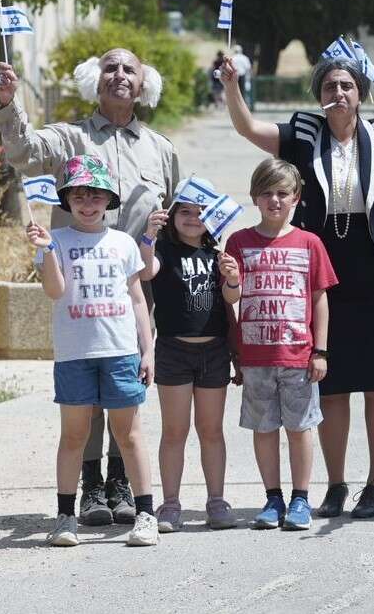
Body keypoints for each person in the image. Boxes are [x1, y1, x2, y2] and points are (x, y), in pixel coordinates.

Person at [219, 54, 374, 519]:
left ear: (361, 92)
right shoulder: (304, 134)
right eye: (330, 87)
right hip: (322, 272)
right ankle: (333, 485)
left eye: (347, 86)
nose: (338, 94)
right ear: (320, 95)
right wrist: (232, 86)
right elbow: (249, 129)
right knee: (330, 385)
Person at [0, 49, 180, 525]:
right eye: (110, 69)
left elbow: (175, 217)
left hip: (134, 285)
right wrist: (9, 103)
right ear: (95, 81)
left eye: (129, 70)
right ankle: (90, 485)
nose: (119, 76)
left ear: (144, 85)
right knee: (84, 395)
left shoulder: (161, 148)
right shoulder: (71, 137)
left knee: (125, 387)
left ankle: (120, 481)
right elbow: (23, 152)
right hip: (78, 292)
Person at [26, 155, 158, 547]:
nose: (87, 203)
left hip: (120, 352)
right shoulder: (57, 241)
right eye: (79, 195)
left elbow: (137, 299)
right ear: (66, 200)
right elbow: (54, 291)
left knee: (129, 435)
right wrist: (46, 251)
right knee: (74, 436)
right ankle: (65, 518)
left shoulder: (123, 243)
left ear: (109, 200)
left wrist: (147, 350)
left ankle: (146, 515)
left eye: (96, 195)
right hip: (74, 354)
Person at [220, 158, 337, 530]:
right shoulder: (239, 242)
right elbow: (230, 299)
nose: (275, 200)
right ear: (255, 197)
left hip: (298, 356)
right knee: (264, 428)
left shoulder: (309, 243)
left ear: (296, 198)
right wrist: (234, 280)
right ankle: (273, 498)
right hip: (255, 357)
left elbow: (319, 298)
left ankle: (301, 498)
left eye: (282, 193)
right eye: (267, 193)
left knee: (300, 429)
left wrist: (320, 350)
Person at [138, 177, 236, 533]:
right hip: (173, 351)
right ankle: (170, 503)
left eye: (201, 212)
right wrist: (149, 235)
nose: (193, 218)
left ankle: (216, 500)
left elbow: (231, 300)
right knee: (174, 431)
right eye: (185, 212)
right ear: (172, 215)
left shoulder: (218, 255)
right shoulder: (163, 252)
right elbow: (146, 270)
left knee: (211, 430)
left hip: (214, 350)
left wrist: (233, 280)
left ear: (213, 218)